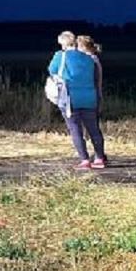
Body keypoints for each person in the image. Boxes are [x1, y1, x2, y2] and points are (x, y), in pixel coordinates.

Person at [48, 31, 107, 169]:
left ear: (63, 43)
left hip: (70, 99)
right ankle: (99, 158)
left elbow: (52, 70)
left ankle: (85, 160)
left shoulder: (60, 56)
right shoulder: (89, 58)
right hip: (89, 98)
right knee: (94, 129)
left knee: (75, 129)